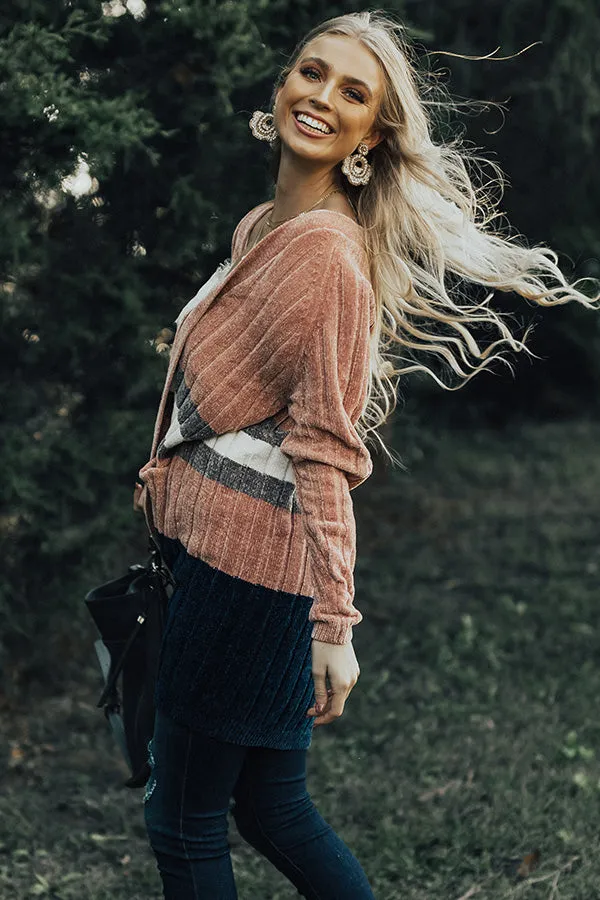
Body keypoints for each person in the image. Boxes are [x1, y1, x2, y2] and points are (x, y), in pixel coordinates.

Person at [134, 10, 600, 899]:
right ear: (281, 87)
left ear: (371, 137)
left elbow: (324, 450)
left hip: (248, 575)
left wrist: (335, 627)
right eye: (312, 73)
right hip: (239, 561)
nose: (322, 97)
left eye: (354, 92)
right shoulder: (264, 227)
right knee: (271, 806)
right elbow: (236, 409)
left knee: (184, 824)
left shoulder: (327, 260)